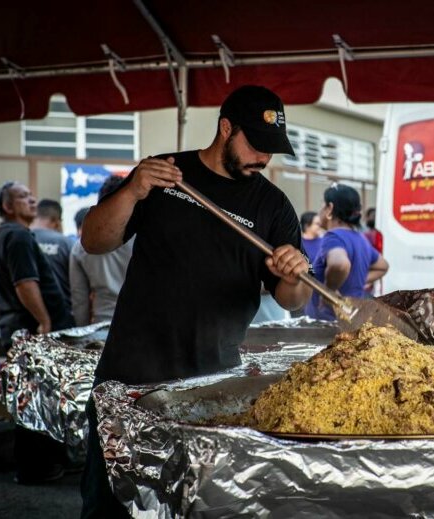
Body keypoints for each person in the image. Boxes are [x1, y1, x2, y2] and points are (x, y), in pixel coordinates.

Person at [79, 85, 312, 518]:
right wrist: (131, 191)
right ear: (226, 128)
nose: (263, 159)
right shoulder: (165, 175)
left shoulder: (274, 206)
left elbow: (293, 299)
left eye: (272, 150)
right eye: (256, 146)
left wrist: (292, 275)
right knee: (107, 504)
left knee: (195, 506)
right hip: (131, 375)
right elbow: (93, 241)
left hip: (211, 384)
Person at [0, 181, 75, 485]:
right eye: (23, 197)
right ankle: (38, 468)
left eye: (31, 195)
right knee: (36, 402)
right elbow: (24, 283)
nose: (33, 199)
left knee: (27, 399)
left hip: (16, 330)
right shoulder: (15, 236)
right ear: (7, 206)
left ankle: (38, 465)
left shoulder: (3, 235)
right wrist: (44, 322)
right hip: (32, 331)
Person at [304, 183, 389, 321]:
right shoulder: (360, 239)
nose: (321, 210)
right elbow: (383, 266)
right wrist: (356, 280)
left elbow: (340, 264)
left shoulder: (333, 236)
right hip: (352, 320)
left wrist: (329, 291)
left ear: (330, 209)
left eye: (323, 205)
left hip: (327, 324)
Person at [69, 176, 133, 326]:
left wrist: (83, 330)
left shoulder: (80, 246)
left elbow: (80, 298)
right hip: (138, 325)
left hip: (101, 325)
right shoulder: (144, 239)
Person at [30, 198, 74, 309]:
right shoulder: (66, 243)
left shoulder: (20, 240)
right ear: (57, 221)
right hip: (61, 311)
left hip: (25, 312)